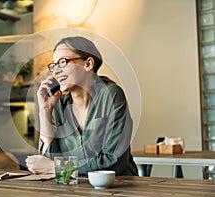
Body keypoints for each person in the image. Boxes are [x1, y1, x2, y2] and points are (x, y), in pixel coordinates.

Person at [26, 36, 138, 176]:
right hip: (74, 190)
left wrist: (56, 168)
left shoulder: (111, 95)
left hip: (119, 189)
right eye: (54, 65)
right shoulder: (58, 103)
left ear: (88, 64)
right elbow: (47, 161)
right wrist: (45, 111)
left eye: (63, 62)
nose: (56, 71)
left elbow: (113, 163)